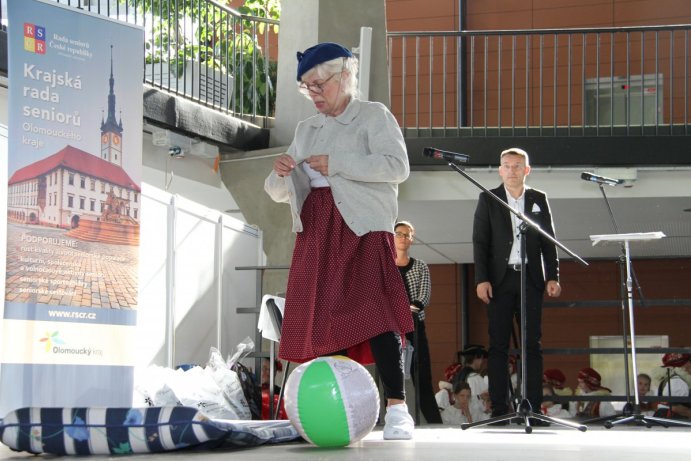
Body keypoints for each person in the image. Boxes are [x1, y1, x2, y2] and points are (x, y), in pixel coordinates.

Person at [264, 42, 415, 440]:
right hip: (317, 228)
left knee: (376, 313)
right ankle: (325, 407)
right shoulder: (305, 130)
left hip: (362, 227)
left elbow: (398, 168)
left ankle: (398, 410)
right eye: (307, 88)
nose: (314, 94)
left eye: (319, 84)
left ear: (345, 76)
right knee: (322, 318)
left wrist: (338, 165)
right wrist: (281, 174)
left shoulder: (372, 116)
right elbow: (280, 191)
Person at [472, 147, 562, 424]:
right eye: (507, 165)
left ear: (527, 170)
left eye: (517, 165)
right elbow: (480, 241)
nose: (512, 170)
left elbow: (549, 239)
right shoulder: (489, 198)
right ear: (500, 170)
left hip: (531, 279)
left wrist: (553, 275)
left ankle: (532, 408)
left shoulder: (538, 199)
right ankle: (500, 410)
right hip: (500, 280)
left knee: (531, 344)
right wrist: (481, 279)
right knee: (498, 346)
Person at [394, 220, 443, 424]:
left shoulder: (421, 266)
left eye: (407, 235)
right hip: (392, 329)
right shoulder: (385, 266)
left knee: (422, 377)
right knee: (393, 376)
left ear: (412, 239)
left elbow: (424, 297)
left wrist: (408, 310)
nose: (403, 238)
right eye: (399, 234)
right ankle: (392, 419)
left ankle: (433, 422)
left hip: (416, 327)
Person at [655, 353, 691, 419]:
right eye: (689, 361)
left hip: (665, 418)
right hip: (672, 420)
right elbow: (675, 407)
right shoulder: (677, 381)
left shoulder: (671, 378)